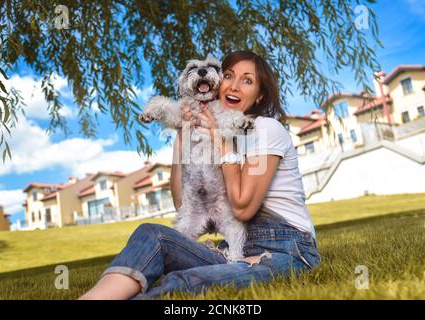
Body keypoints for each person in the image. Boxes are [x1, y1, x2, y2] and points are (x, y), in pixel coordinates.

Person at [79, 50, 320, 300]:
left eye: (247, 80)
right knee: (152, 234)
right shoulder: (212, 124)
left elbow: (243, 209)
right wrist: (182, 136)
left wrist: (221, 142)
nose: (234, 86)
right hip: (233, 249)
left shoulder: (264, 128)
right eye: (229, 76)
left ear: (259, 95)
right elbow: (182, 203)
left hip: (284, 249)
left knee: (190, 282)